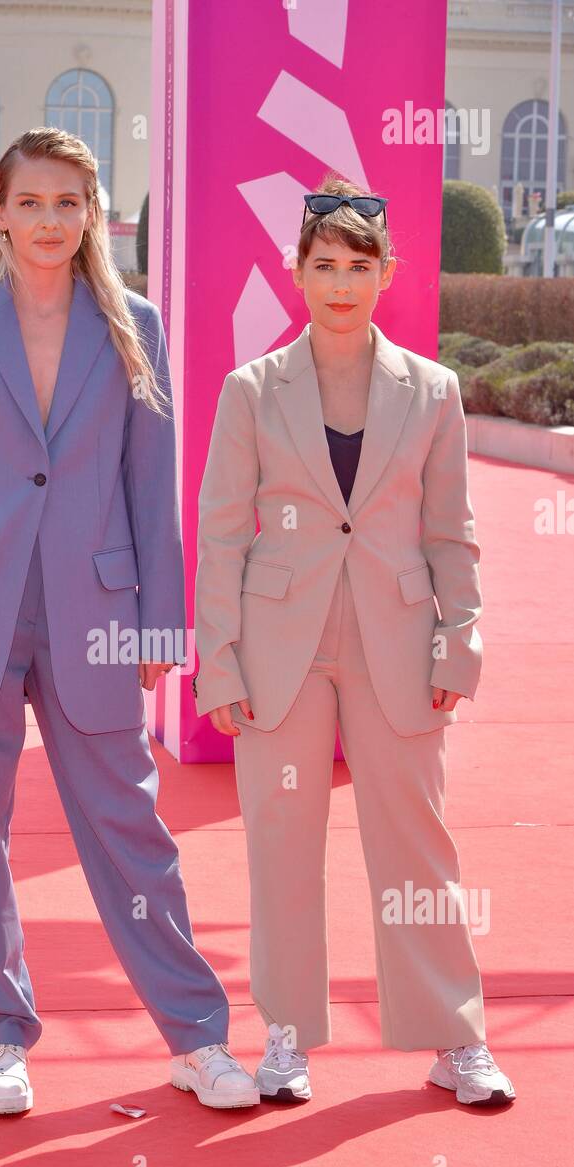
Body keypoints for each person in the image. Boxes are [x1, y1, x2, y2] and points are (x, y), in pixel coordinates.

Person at [0, 127, 260, 1115]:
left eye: (69, 203)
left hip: (99, 609)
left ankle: (198, 1035)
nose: (50, 221)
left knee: (129, 825)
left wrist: (162, 625)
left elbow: (150, 481)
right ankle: (2, 1036)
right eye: (31, 202)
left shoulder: (132, 321)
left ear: (95, 213)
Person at [193, 173, 515, 1109]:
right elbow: (219, 534)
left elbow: (450, 532)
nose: (340, 282)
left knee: (416, 840)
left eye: (358, 266)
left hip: (399, 640)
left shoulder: (434, 391)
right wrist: (218, 659)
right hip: (278, 646)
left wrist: (460, 643)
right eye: (324, 264)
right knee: (281, 842)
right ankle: (287, 1034)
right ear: (296, 272)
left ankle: (452, 1036)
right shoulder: (251, 390)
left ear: (386, 275)